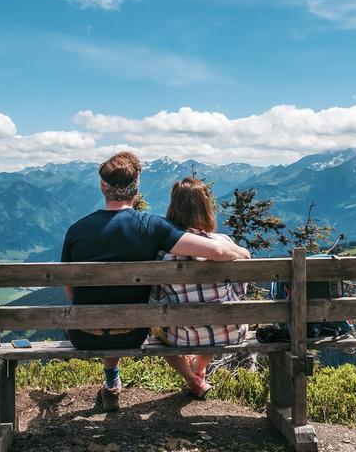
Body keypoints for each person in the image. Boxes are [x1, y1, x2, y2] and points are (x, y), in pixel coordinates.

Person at [61, 152, 250, 411]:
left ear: (102, 186)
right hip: (132, 334)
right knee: (124, 313)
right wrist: (241, 253)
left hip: (82, 334)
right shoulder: (151, 226)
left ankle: (112, 380)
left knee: (103, 305)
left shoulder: (76, 231)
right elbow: (215, 251)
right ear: (136, 187)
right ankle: (191, 376)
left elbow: (70, 293)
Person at [152, 177, 250, 398]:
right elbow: (239, 291)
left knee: (158, 331)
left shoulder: (163, 253)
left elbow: (157, 295)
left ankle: (192, 378)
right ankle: (200, 368)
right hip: (231, 332)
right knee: (218, 321)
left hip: (183, 336)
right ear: (206, 208)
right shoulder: (224, 243)